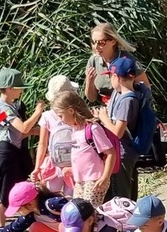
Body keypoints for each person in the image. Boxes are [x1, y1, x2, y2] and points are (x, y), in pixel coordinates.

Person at [0, 68, 45, 232]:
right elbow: (23, 127)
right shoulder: (4, 108)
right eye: (19, 87)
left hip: (10, 152)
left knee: (4, 193)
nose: (22, 91)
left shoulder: (8, 106)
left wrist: (36, 131)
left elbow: (20, 133)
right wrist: (38, 112)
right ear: (9, 88)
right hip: (5, 154)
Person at [52, 91, 116, 205]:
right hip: (80, 181)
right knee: (77, 210)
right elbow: (83, 155)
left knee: (89, 211)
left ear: (71, 111)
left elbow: (111, 153)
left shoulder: (93, 128)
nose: (60, 120)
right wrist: (73, 169)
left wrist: (105, 177)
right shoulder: (75, 130)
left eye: (61, 116)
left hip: (95, 179)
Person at [98, 55, 147, 201]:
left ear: (116, 77)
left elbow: (117, 133)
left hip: (123, 153)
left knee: (121, 196)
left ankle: (125, 216)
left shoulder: (128, 100)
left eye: (110, 76)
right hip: (121, 152)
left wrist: (104, 118)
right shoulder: (123, 94)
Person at [32, 75, 79, 196]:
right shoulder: (74, 113)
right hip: (74, 162)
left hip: (53, 163)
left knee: (52, 197)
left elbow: (42, 144)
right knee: (71, 197)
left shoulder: (47, 116)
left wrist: (37, 167)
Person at [83, 22, 143, 105]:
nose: (96, 47)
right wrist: (89, 81)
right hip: (103, 108)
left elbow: (146, 89)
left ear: (113, 41)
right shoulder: (93, 60)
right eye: (93, 42)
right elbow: (91, 98)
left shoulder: (127, 60)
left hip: (125, 106)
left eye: (101, 43)